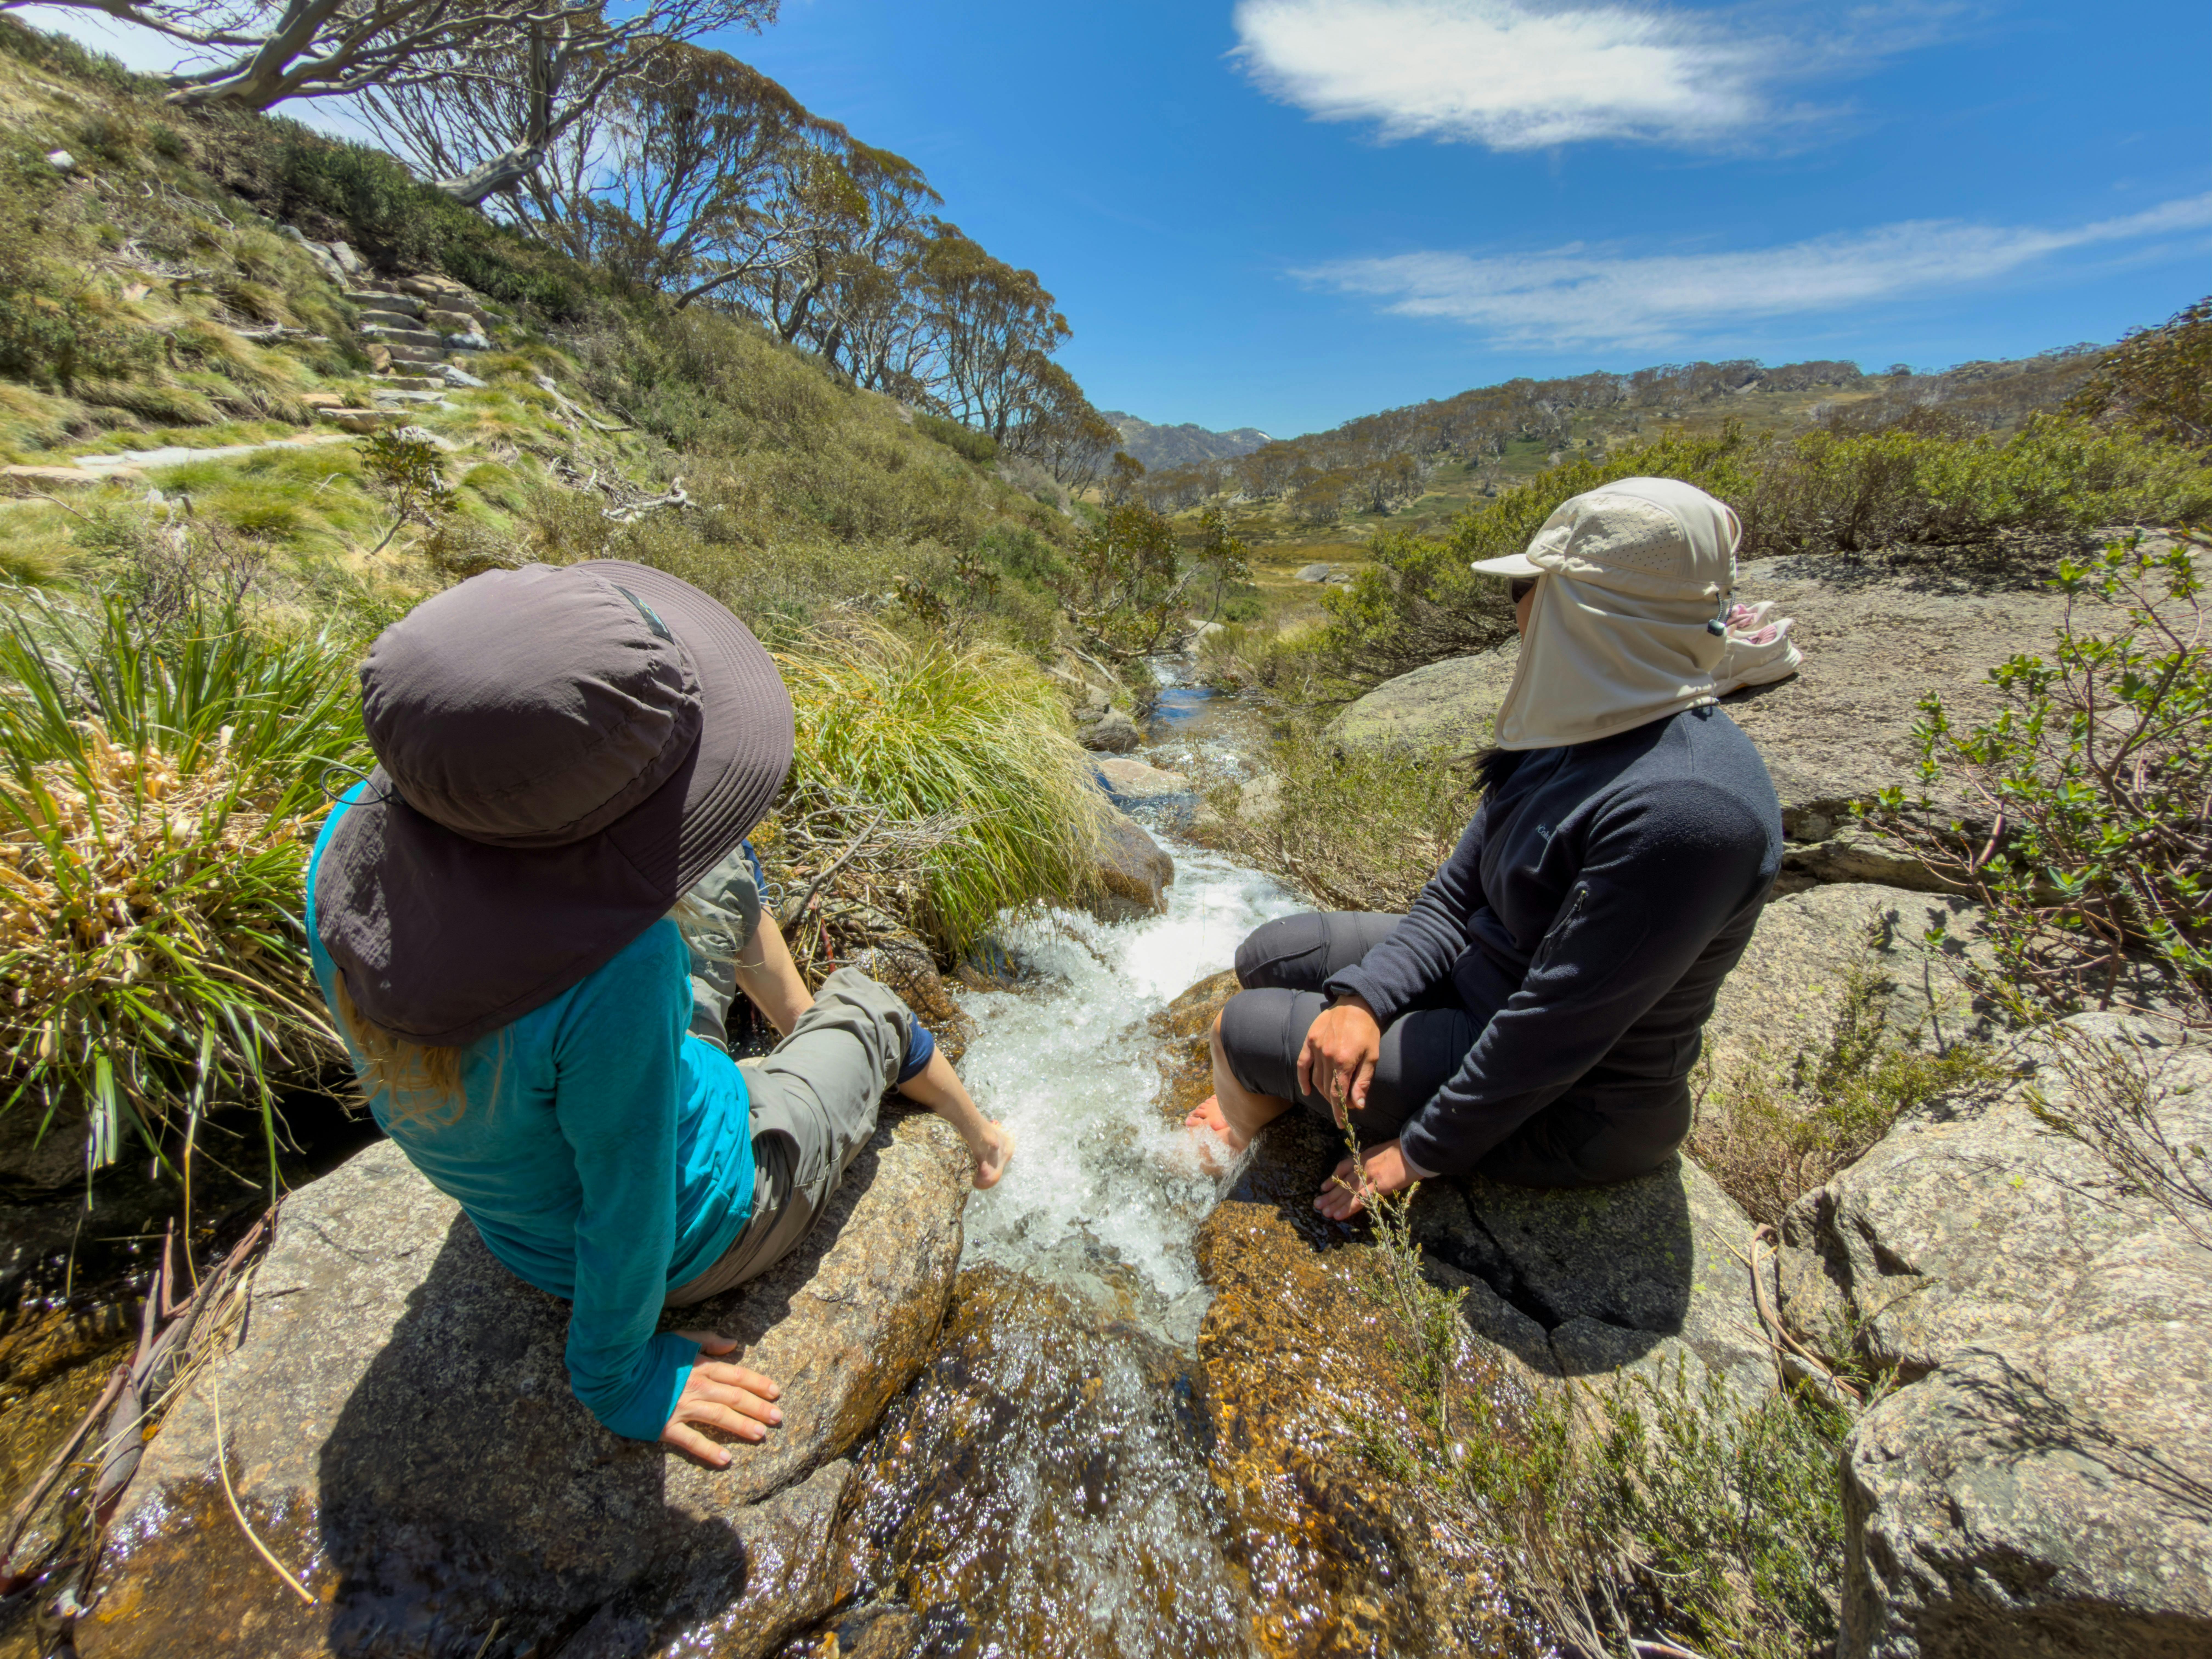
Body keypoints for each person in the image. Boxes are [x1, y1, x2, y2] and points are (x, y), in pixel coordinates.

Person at [306, 561, 1014, 1466]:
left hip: (522, 1216)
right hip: (694, 1228)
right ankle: (980, 1136)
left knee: (717, 861)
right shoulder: (626, 969)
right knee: (875, 1010)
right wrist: (615, 1375)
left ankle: (800, 1032)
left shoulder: (347, 844)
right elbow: (631, 1198)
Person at [1187, 478, 1783, 1218]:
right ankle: (1285, 1088)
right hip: (1485, 979)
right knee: (1269, 955)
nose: (1518, 611)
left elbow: (1556, 1032)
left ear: (1588, 618)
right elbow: (1455, 898)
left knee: (1239, 1031)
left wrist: (1418, 1151)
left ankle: (1242, 1131)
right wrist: (1364, 1002)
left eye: (1530, 590)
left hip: (1574, 1105)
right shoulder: (1581, 724)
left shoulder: (1690, 812)